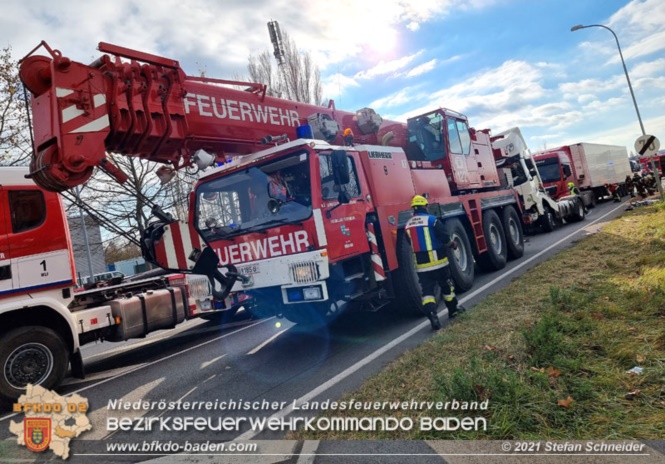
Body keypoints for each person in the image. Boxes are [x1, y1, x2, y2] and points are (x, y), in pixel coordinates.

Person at [405, 195, 465, 331]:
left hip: (421, 267)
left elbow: (411, 243)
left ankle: (432, 315)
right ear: (425, 206)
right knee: (447, 287)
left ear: (414, 209)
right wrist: (453, 244)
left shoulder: (408, 225)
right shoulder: (432, 221)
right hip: (439, 262)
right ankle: (453, 310)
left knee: (427, 292)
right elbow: (444, 237)